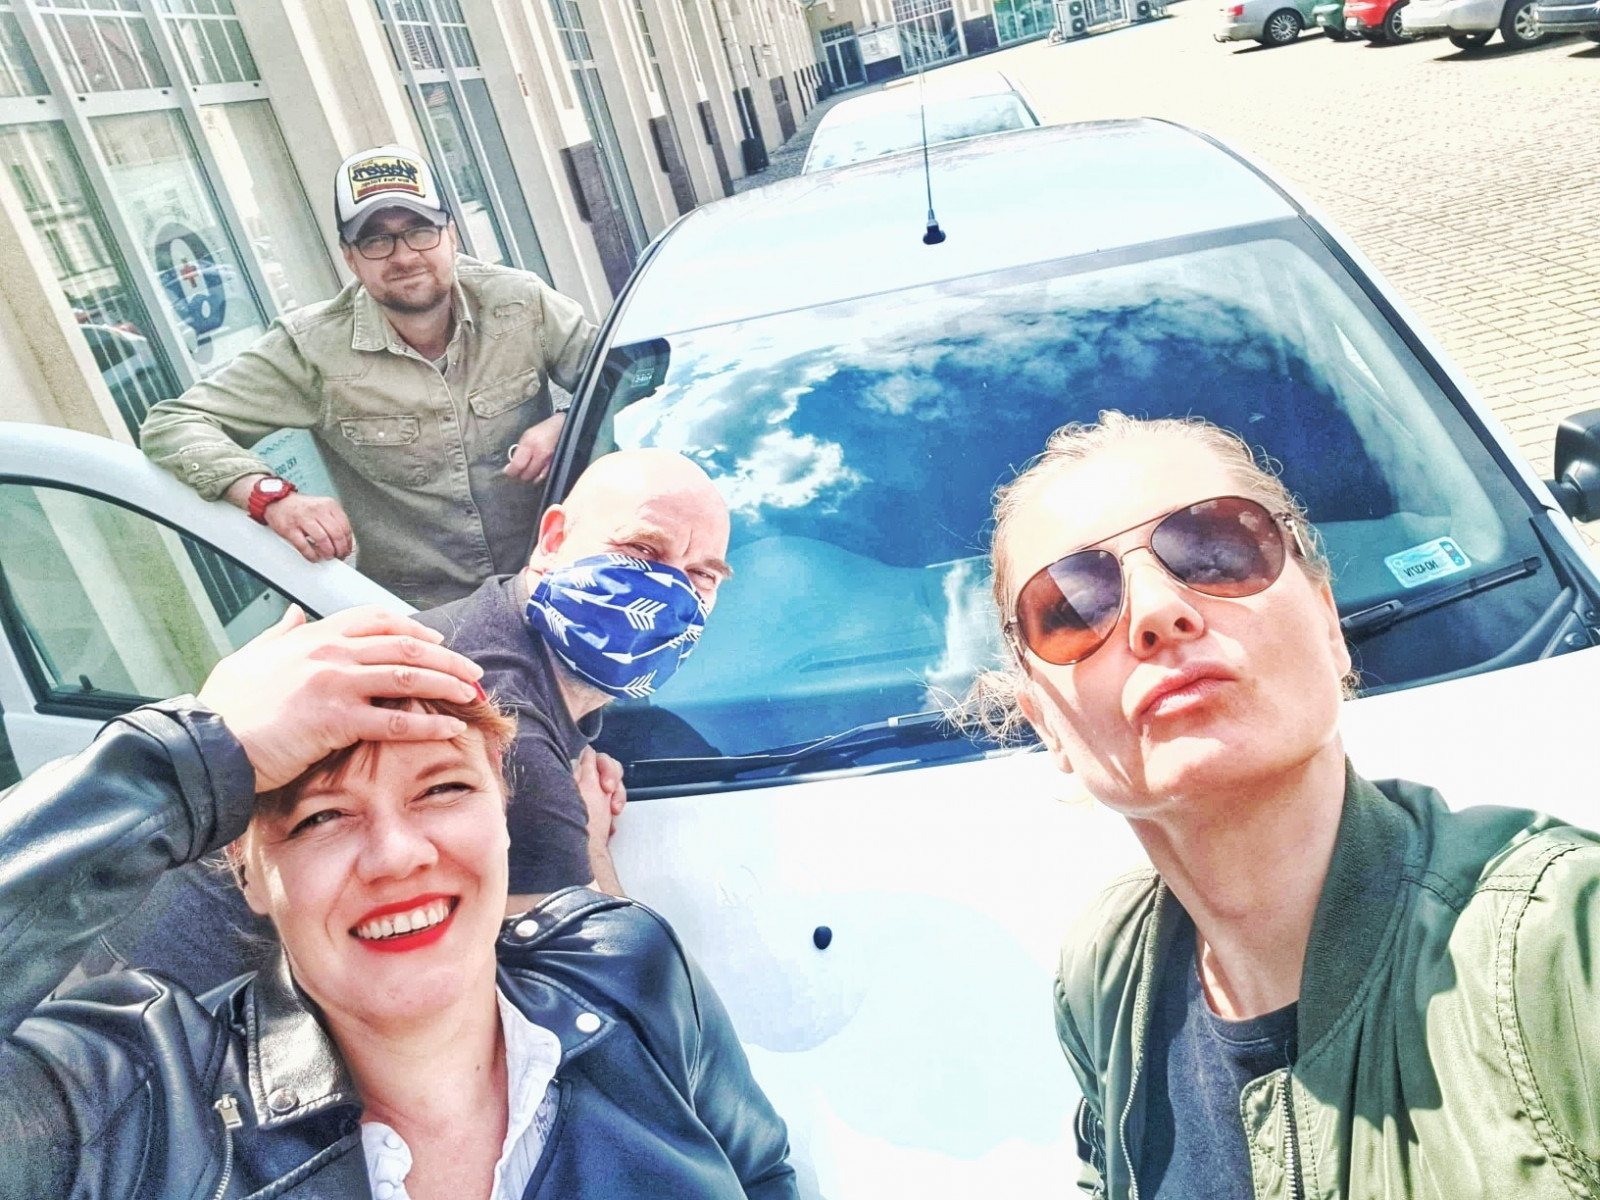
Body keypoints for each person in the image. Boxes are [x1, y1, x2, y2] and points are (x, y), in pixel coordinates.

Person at [970, 412, 1600, 1198]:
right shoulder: (1106, 972)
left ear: (1328, 621)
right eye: (1073, 606)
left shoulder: (1560, 943)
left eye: (1218, 551)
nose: (1157, 612)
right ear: (1047, 726)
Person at [0, 606, 795, 1199]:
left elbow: (760, 1172)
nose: (397, 855)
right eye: (321, 818)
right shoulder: (129, 1111)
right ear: (248, 875)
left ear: (502, 812)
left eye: (443, 789)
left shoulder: (629, 971)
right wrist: (188, 758)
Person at [140, 145, 598, 609]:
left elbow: (628, 373)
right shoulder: (313, 349)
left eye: (420, 231)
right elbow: (173, 423)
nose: (404, 256)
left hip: (560, 575)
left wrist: (568, 424)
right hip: (425, 616)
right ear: (350, 258)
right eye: (376, 241)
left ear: (451, 236)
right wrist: (272, 498)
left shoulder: (521, 303)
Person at [415, 446, 733, 908]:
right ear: (554, 539)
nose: (670, 593)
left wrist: (571, 756)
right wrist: (590, 841)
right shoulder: (508, 732)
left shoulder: (502, 622)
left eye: (701, 574)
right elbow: (606, 952)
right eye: (642, 549)